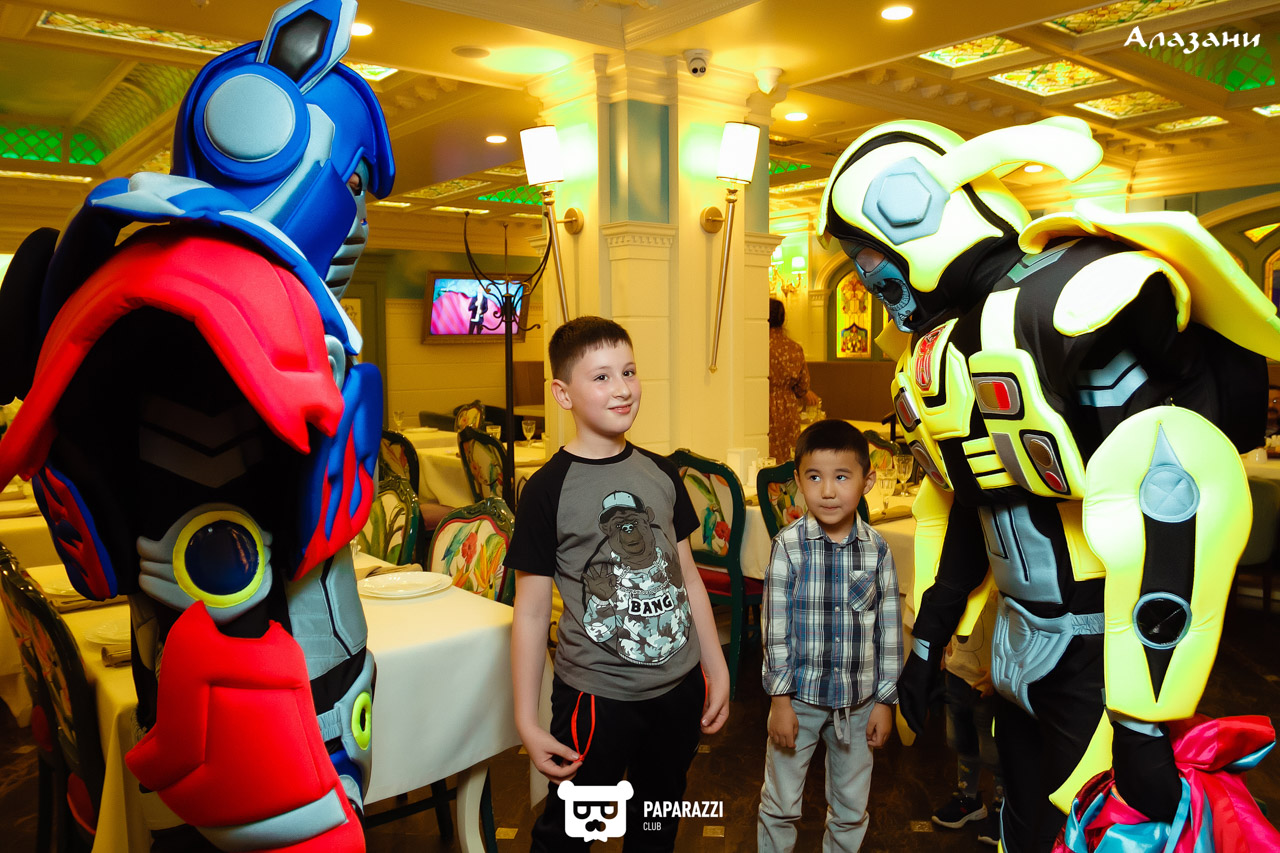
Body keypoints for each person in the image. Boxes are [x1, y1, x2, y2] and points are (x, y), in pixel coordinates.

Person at [821, 117, 1280, 851]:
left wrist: (1143, 714)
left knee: (1095, 832)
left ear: (909, 210)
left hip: (1099, 650)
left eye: (868, 259)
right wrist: (928, 639)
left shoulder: (1065, 300)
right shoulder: (947, 348)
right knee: (1025, 828)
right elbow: (978, 504)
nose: (871, 280)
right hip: (1018, 642)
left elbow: (1168, 492)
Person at [507, 316, 731, 851]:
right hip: (597, 699)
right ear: (563, 394)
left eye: (628, 372)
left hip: (678, 690)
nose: (623, 388)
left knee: (656, 824)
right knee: (569, 833)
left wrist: (716, 666)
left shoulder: (662, 472)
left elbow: (688, 579)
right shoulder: (547, 490)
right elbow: (531, 613)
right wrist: (526, 720)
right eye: (602, 377)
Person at [758, 419, 902, 853]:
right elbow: (775, 629)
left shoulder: (878, 550)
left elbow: (888, 630)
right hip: (798, 699)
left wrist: (885, 701)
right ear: (798, 481)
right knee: (780, 803)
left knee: (851, 808)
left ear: (866, 481)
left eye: (841, 477)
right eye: (814, 477)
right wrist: (780, 701)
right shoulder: (788, 547)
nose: (827, 491)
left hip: (858, 705)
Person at [930, 593, 1004, 848]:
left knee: (994, 750)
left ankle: (1001, 807)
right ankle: (967, 798)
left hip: (993, 675)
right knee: (960, 739)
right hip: (958, 666)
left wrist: (1002, 668)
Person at [768, 297, 819, 461]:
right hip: (789, 408)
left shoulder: (757, 346)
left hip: (762, 405)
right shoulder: (794, 348)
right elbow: (803, 386)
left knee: (765, 455)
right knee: (789, 455)